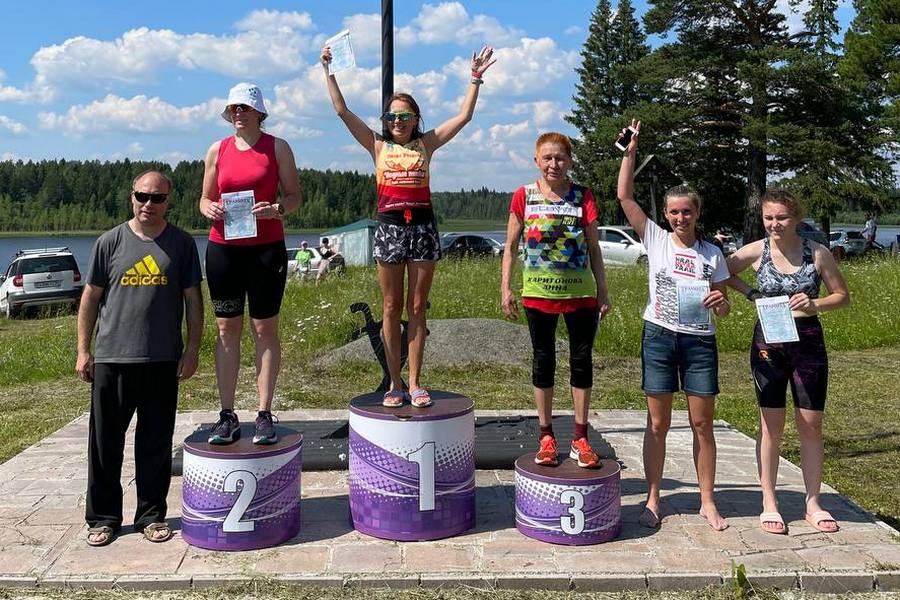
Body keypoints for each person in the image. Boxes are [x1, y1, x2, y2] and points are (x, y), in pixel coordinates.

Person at [321, 44, 496, 408]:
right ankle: (394, 382)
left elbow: (464, 117)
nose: (397, 122)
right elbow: (341, 111)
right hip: (389, 228)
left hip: (422, 228)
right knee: (390, 306)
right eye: (391, 116)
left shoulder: (426, 144)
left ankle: (415, 381)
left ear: (416, 119)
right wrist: (328, 70)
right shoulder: (376, 145)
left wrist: (475, 78)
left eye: (404, 116)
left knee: (417, 306)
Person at [76, 170, 203, 546]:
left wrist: (192, 349)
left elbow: (194, 301)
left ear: (169, 201)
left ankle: (151, 515)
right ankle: (103, 518)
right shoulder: (109, 242)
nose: (149, 204)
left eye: (157, 198)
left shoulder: (181, 244)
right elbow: (90, 298)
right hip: (113, 358)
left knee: (155, 443)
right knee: (105, 444)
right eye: (142, 196)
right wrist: (83, 350)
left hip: (162, 359)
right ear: (131, 197)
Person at [617, 120, 732, 531]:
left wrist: (722, 303)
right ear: (665, 215)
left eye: (687, 211)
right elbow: (624, 196)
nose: (681, 217)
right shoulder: (655, 238)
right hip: (659, 337)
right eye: (674, 212)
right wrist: (630, 153)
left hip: (700, 343)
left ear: (697, 213)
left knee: (702, 424)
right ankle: (653, 499)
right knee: (657, 424)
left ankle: (707, 501)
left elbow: (723, 306)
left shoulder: (712, 253)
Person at [726, 189, 850, 535]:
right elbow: (720, 272)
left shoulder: (817, 252)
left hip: (808, 341)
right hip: (769, 341)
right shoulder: (756, 250)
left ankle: (813, 502)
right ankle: (769, 501)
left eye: (781, 217)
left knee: (811, 424)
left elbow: (842, 296)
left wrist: (815, 304)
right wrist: (750, 293)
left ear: (795, 217)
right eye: (769, 218)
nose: (774, 224)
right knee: (771, 426)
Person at [199, 83, 302, 445]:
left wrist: (277, 209)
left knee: (264, 329)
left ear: (259, 112)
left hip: (266, 250)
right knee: (226, 329)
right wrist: (209, 208)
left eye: (244, 108)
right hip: (224, 249)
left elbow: (294, 196)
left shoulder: (278, 147)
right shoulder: (218, 149)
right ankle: (227, 415)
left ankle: (264, 413)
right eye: (233, 109)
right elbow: (204, 199)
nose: (238, 114)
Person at [500, 133, 611, 468]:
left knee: (581, 361)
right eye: (547, 158)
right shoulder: (524, 195)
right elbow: (510, 246)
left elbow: (594, 248)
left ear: (570, 161)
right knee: (543, 360)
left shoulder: (582, 195)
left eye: (560, 158)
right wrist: (506, 288)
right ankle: (546, 436)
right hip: (538, 294)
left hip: (580, 296)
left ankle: (580, 437)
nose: (554, 164)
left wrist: (603, 291)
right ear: (536, 161)